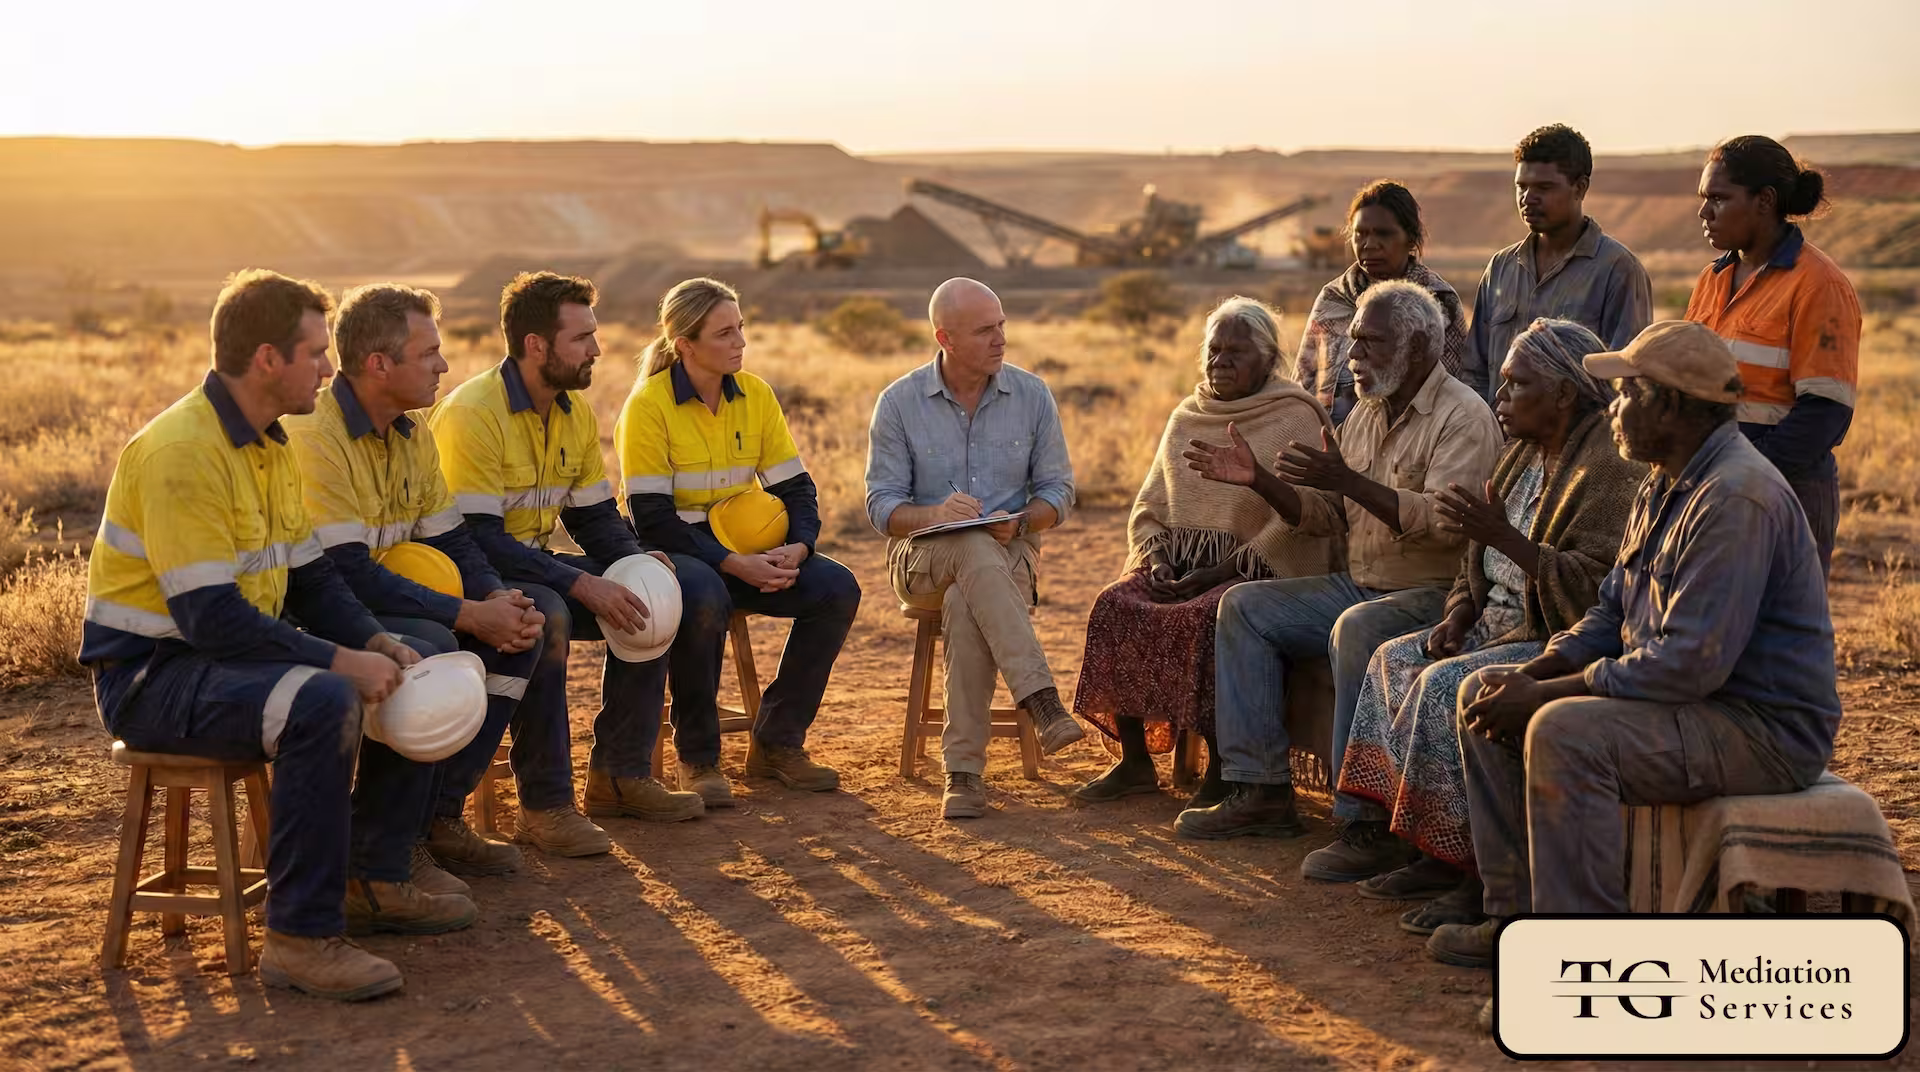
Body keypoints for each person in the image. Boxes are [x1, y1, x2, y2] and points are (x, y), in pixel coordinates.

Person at [82, 269, 462, 1000]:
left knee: (412, 668)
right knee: (324, 700)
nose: (329, 369)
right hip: (151, 678)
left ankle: (376, 876)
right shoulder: (181, 452)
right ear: (267, 360)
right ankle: (299, 937)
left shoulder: (269, 443)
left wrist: (375, 641)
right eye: (317, 354)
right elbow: (210, 619)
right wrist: (339, 659)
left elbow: (314, 578)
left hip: (217, 664)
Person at [1429, 321, 1839, 973]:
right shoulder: (1664, 480)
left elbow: (1686, 665)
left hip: (1760, 728)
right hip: (1694, 706)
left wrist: (1548, 693)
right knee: (1485, 692)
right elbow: (1610, 611)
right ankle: (1513, 913)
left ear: (1669, 406)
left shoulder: (1734, 498)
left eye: (1626, 394)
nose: (1612, 407)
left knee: (1567, 733)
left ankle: (1587, 960)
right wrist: (1533, 672)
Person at [1325, 319, 1644, 932]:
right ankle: (1420, 847)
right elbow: (1476, 561)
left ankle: (1474, 873)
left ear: (1564, 395)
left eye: (1516, 384)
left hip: (1547, 634)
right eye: (1499, 382)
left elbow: (1595, 592)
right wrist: (1457, 614)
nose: (1499, 397)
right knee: (1394, 658)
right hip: (1490, 620)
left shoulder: (1607, 468)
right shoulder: (1521, 451)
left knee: (1446, 686)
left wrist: (1504, 538)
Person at [1174, 281, 1502, 841]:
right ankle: (1261, 791)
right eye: (1353, 341)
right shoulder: (1368, 415)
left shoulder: (1462, 417)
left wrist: (1347, 481)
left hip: (1432, 593)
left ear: (1419, 347)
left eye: (1370, 343)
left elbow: (1448, 525)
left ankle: (1363, 822)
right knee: (1244, 607)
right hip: (1361, 583)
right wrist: (1261, 481)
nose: (1352, 357)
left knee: (1357, 628)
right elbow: (1326, 512)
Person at [285, 283, 551, 901]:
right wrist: (466, 613)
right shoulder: (315, 436)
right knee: (429, 648)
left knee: (522, 633)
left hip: (393, 596)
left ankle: (436, 818)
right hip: (325, 606)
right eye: (429, 352)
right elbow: (345, 572)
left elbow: (455, 540)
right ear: (379, 364)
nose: (444, 365)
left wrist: (495, 600)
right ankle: (380, 855)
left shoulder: (413, 430)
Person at [431, 271, 704, 858]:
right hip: (470, 574)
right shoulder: (472, 414)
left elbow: (594, 517)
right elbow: (475, 538)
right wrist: (582, 582)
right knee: (550, 611)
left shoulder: (572, 412)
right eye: (582, 338)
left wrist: (632, 562)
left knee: (653, 591)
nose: (597, 350)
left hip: (531, 563)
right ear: (536, 346)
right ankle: (546, 806)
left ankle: (619, 776)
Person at [1072, 297, 1340, 807]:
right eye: (1214, 350)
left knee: (1212, 616)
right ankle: (1133, 762)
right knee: (1116, 604)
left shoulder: (1295, 416)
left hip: (1257, 571)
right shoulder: (1187, 415)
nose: (1221, 362)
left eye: (1237, 352)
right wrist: (1157, 559)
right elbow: (1151, 504)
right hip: (1182, 566)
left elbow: (1309, 518)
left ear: (1269, 359)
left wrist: (1221, 569)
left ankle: (1224, 767)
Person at [616, 278, 861, 799]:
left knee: (837, 588)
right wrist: (732, 563)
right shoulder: (648, 406)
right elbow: (652, 520)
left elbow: (796, 486)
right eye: (725, 333)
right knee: (704, 598)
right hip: (680, 551)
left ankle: (777, 743)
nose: (740, 342)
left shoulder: (755, 394)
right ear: (685, 345)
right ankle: (699, 759)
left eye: (741, 328)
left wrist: (800, 545)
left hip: (752, 550)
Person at [865, 277, 1084, 820]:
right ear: (946, 337)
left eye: (1002, 325)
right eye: (985, 329)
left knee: (971, 591)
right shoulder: (898, 402)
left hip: (1009, 555)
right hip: (920, 559)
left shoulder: (1032, 395)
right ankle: (1040, 700)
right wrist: (936, 516)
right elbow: (881, 509)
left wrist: (1023, 520)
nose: (1000, 338)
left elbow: (1060, 492)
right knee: (965, 544)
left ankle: (963, 774)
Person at [1686, 135, 1860, 575]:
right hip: (1712, 485)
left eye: (1719, 199)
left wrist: (1742, 476)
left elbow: (1825, 415)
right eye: (1703, 199)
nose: (1704, 212)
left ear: (1764, 201)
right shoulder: (1713, 278)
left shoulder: (1819, 285)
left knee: (1777, 633)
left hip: (1785, 493)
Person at [1461, 124, 1653, 406]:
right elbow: (1474, 371)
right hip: (1499, 442)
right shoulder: (1501, 267)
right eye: (1521, 187)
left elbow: (1626, 379)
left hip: (1578, 446)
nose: (1528, 199)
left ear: (1580, 188)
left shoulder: (1618, 270)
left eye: (1544, 188)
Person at [1295, 180, 1469, 425]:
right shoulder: (1333, 297)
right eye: (1361, 234)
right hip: (1330, 438)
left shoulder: (1437, 300)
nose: (1369, 244)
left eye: (1383, 234)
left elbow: (1453, 389)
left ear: (1410, 240)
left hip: (1409, 442)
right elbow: (1305, 380)